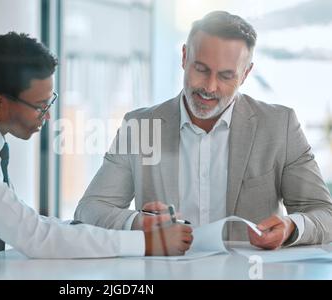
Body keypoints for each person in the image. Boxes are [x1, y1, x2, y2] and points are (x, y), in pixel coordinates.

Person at [0, 32, 193, 279]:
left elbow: (27, 224)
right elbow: (34, 237)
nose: (46, 117)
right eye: (39, 106)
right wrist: (148, 244)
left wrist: (134, 226)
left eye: (50, 102)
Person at [74, 11, 332, 250]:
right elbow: (89, 209)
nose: (209, 87)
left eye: (226, 76)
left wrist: (292, 226)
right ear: (184, 57)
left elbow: (324, 215)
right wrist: (140, 224)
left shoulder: (279, 125)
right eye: (201, 69)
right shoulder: (140, 126)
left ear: (245, 74)